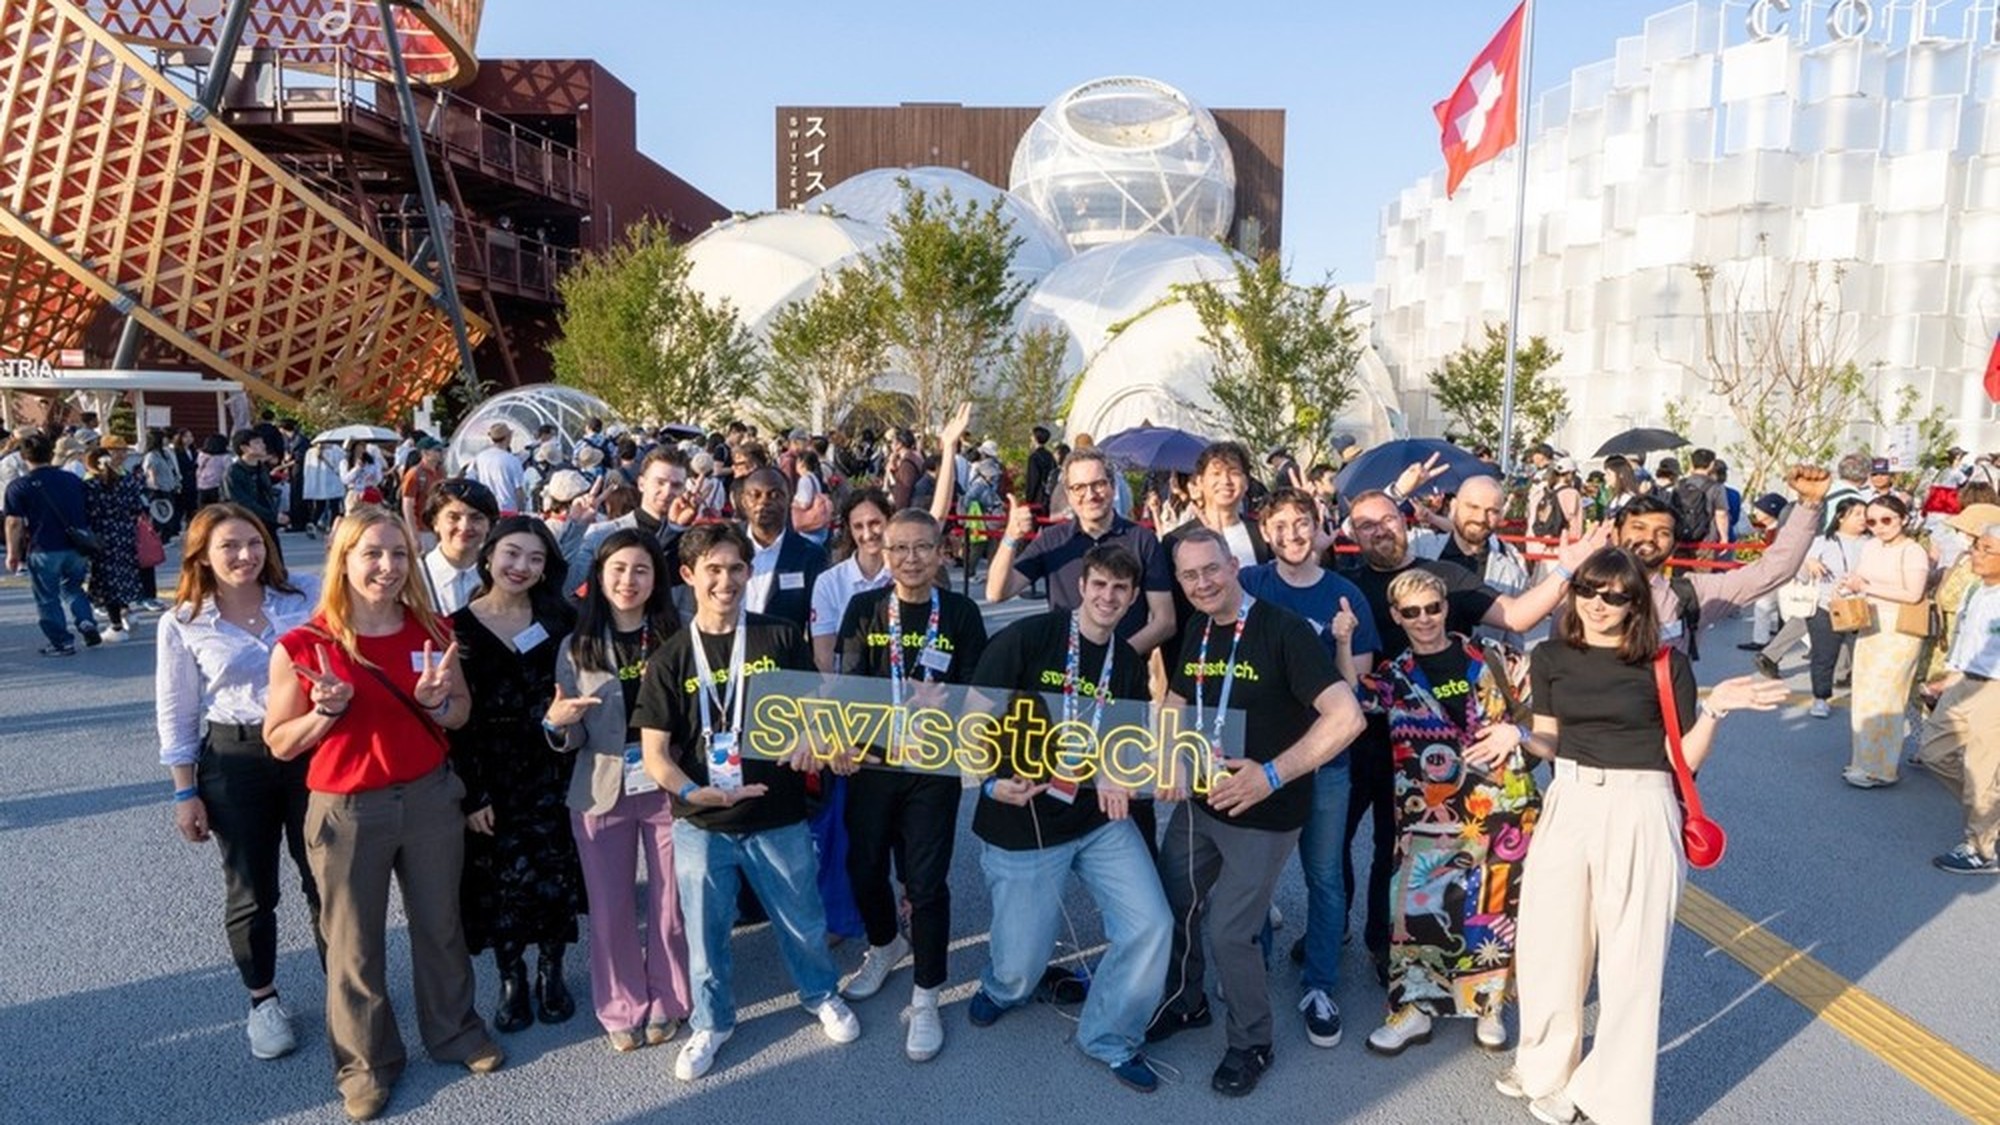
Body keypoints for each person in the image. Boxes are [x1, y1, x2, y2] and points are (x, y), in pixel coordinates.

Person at [1497, 546, 1783, 1125]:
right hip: (1569, 798)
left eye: (1616, 595)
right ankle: (1543, 1065)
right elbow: (1550, 740)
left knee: (1633, 961)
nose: (1599, 604)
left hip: (1641, 806)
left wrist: (1716, 712)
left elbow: (1684, 763)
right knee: (1548, 944)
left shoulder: (1664, 663)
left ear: (1636, 604)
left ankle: (1606, 1097)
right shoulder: (1551, 656)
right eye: (1588, 590)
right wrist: (1519, 738)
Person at [264, 506, 503, 1122]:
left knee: (440, 925)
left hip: (428, 798)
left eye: (398, 554)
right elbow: (280, 741)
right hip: (347, 808)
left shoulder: (434, 630)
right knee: (353, 945)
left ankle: (454, 1031)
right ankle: (365, 1065)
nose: (387, 567)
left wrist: (439, 703)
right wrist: (326, 714)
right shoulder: (304, 645)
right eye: (372, 553)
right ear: (343, 559)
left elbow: (460, 716)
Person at [1335, 485, 1593, 990]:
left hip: (1426, 752)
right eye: (1364, 524)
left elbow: (1518, 617)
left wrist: (1565, 570)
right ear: (1351, 533)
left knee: (1401, 850)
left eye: (1386, 519)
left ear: (1405, 519)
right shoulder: (1345, 583)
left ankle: (1389, 944)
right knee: (1333, 845)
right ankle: (1334, 934)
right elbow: (1349, 684)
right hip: (1364, 736)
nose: (1378, 530)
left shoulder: (1447, 579)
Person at [631, 522, 860, 1081]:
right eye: (712, 569)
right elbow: (656, 755)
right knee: (707, 935)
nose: (725, 580)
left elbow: (817, 716)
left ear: (748, 572)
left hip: (777, 814)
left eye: (736, 568)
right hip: (701, 821)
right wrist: (690, 791)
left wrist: (814, 740)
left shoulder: (780, 637)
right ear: (688, 576)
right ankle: (712, 1022)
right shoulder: (670, 658)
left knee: (802, 919)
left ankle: (820, 994)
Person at [1145, 528, 1366, 1097]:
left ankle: (1252, 1042)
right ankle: (1186, 1002)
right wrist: (1170, 758)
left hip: (1263, 809)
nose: (1201, 583)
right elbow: (1175, 701)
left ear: (1234, 564)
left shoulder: (1283, 630)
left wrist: (1270, 774)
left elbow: (1347, 718)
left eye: (1211, 570)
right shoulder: (1197, 626)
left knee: (1230, 931)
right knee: (1176, 903)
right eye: (1189, 575)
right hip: (1201, 799)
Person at [964, 544, 1173, 1092]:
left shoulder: (1125, 661)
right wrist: (989, 782)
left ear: (1132, 599)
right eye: (1099, 584)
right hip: (1023, 813)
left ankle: (1108, 1035)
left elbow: (1126, 743)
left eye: (1120, 590)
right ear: (1082, 586)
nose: (1108, 597)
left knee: (1152, 924)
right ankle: (1004, 987)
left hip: (1096, 820)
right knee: (1021, 961)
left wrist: (1119, 769)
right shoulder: (1028, 638)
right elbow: (972, 717)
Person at [154, 504, 324, 1060]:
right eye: (229, 546)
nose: (245, 556)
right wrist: (185, 792)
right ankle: (263, 1001)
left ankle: (345, 989)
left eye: (254, 543)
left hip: (307, 748)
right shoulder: (183, 621)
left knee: (327, 876)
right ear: (201, 554)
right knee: (253, 890)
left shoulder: (303, 596)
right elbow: (177, 713)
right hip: (235, 755)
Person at [832, 510, 988, 1062]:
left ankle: (927, 993)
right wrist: (844, 739)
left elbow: (976, 689)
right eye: (898, 549)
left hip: (933, 765)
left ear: (942, 551)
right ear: (884, 553)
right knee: (864, 866)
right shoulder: (864, 608)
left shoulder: (963, 613)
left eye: (922, 548)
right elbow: (847, 685)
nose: (910, 559)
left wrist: (948, 710)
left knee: (924, 882)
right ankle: (884, 943)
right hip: (873, 761)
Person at [1357, 569, 1534, 1056]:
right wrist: (1344, 639)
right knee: (1415, 907)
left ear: (1445, 608)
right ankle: (1415, 1009)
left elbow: (1552, 703)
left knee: (1491, 909)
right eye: (1410, 612)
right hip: (1426, 814)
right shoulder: (1394, 677)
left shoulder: (1495, 658)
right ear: (1396, 616)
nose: (1424, 619)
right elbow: (1350, 699)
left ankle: (1489, 1004)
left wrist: (1516, 734)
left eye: (1432, 608)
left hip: (1500, 808)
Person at [1239, 489, 1378, 1043]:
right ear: (1265, 532)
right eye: (1281, 525)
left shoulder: (1346, 597)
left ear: (1319, 527)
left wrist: (1342, 642)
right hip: (1260, 758)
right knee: (1258, 876)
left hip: (1326, 763)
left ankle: (1320, 983)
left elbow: (1354, 692)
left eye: (1303, 523)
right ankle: (1254, 974)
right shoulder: (1251, 585)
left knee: (1323, 875)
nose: (1294, 534)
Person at [547, 530, 691, 1050]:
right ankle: (621, 1005)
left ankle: (671, 997)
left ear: (657, 579)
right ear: (600, 577)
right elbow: (573, 732)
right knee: (609, 907)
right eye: (618, 570)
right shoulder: (576, 645)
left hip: (667, 782)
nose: (628, 581)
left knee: (671, 903)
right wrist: (557, 724)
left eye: (641, 570)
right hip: (600, 787)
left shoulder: (680, 634)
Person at [450, 517, 583, 1033]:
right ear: (488, 557)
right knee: (502, 879)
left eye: (535, 558)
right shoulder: (456, 627)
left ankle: (552, 970)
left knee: (553, 872)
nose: (521, 567)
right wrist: (471, 792)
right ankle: (512, 976)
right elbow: (457, 721)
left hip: (552, 762)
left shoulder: (559, 619)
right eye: (511, 554)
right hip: (491, 767)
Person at [1607, 465, 1829, 657]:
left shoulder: (1692, 594)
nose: (1649, 538)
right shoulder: (1583, 589)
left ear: (1675, 544)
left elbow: (1771, 572)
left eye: (1663, 532)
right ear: (1615, 535)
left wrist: (1809, 505)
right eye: (1638, 528)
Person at [989, 447, 1178, 656]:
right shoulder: (1052, 540)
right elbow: (997, 593)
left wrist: (1118, 658)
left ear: (1113, 487)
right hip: (1062, 668)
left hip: (1123, 674)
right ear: (1068, 494)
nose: (1090, 495)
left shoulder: (1143, 540)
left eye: (1098, 484)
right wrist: (1010, 537)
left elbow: (1165, 621)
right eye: (1079, 487)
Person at [1915, 520, 2000, 874]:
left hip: (1994, 689)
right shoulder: (1977, 589)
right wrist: (1950, 677)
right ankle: (1991, 814)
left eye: (1986, 550)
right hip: (1964, 681)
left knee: (1982, 773)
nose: (1975, 554)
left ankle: (1981, 849)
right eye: (1976, 546)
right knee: (1933, 752)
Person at [1837, 494, 1931, 788]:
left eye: (1886, 520)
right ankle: (1863, 761)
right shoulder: (1871, 546)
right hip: (1870, 623)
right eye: (1872, 521)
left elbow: (1913, 594)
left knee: (1887, 696)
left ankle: (1881, 769)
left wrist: (1867, 586)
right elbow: (1861, 580)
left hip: (1900, 629)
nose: (1879, 527)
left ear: (1903, 518)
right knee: (1865, 694)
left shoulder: (1913, 551)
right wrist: (1850, 587)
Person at [1160, 442, 1273, 656]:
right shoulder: (1175, 541)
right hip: (1201, 655)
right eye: (1216, 473)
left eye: (1234, 472)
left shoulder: (1262, 534)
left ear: (1247, 482)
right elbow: (1174, 613)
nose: (1226, 481)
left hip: (1258, 651)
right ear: (1200, 482)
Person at [3, 430, 102, 654]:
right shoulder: (72, 479)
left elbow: (14, 523)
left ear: (24, 456)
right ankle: (86, 621)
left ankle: (62, 641)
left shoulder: (19, 486)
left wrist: (13, 554)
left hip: (44, 546)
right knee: (74, 587)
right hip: (76, 545)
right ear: (51, 453)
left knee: (47, 597)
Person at [1785, 496, 1870, 719]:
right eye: (1857, 514)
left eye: (1865, 514)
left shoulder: (1873, 544)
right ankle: (1820, 698)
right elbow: (1800, 574)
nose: (1864, 519)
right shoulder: (1822, 542)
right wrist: (1808, 563)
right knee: (1824, 655)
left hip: (1862, 606)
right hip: (1826, 606)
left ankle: (1867, 699)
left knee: (1863, 657)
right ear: (1841, 517)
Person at [734, 466, 828, 631]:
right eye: (755, 495)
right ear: (743, 501)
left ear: (790, 499)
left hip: (783, 652)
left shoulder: (810, 555)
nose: (763, 501)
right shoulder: (726, 544)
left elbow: (817, 621)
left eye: (774, 495)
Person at [82, 441, 148, 640]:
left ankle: (116, 626)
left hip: (102, 534)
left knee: (106, 579)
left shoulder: (90, 485)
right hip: (126, 531)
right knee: (124, 573)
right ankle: (128, 611)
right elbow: (138, 506)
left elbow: (87, 512)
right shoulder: (126, 481)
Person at [421, 479, 499, 616]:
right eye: (454, 517)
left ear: (489, 525)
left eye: (476, 518)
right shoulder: (413, 575)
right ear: (435, 522)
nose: (465, 527)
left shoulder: (499, 577)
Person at [222, 429, 282, 543]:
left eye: (262, 442)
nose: (263, 446)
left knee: (274, 558)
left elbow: (266, 493)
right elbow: (240, 502)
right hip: (246, 524)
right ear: (244, 448)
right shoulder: (233, 472)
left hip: (268, 523)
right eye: (257, 443)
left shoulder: (261, 468)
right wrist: (272, 515)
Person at [469, 423, 529, 515]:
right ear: (508, 437)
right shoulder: (512, 460)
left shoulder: (480, 457)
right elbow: (519, 490)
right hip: (508, 511)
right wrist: (522, 512)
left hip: (488, 509)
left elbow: (472, 479)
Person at [399, 437, 448, 538]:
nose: (441, 453)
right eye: (437, 450)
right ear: (425, 453)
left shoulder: (441, 472)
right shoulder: (414, 474)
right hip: (422, 531)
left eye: (441, 450)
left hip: (438, 527)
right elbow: (407, 506)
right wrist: (413, 533)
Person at [340, 440, 384, 517]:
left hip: (368, 492)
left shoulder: (372, 461)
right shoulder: (345, 462)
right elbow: (345, 480)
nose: (361, 450)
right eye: (358, 447)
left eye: (363, 447)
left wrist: (372, 478)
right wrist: (356, 469)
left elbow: (379, 478)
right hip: (354, 494)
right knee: (352, 519)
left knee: (370, 518)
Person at [1023, 425, 1058, 513]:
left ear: (1035, 438)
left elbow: (1032, 480)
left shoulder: (1034, 457)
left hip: (1038, 498)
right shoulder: (1050, 456)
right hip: (1050, 496)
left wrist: (1028, 499)